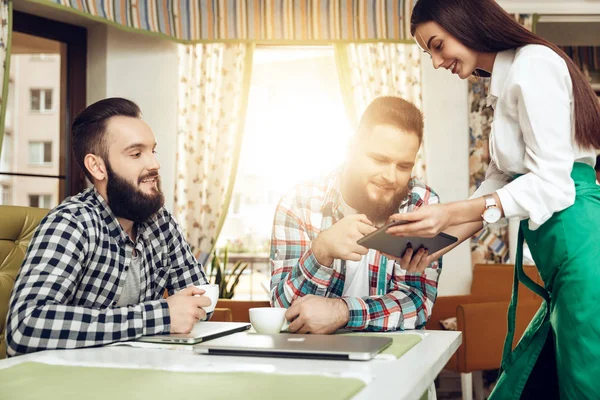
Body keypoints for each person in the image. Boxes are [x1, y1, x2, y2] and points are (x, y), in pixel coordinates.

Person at [395, 0, 600, 398]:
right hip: (563, 266)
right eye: (429, 53)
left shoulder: (533, 64)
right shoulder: (502, 85)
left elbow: (552, 185)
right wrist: (439, 242)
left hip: (584, 256)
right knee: (520, 387)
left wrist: (450, 212)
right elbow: (497, 184)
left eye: (437, 45)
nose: (437, 62)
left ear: (466, 22)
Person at [6, 98, 211, 357]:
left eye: (153, 151)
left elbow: (202, 299)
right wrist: (158, 316)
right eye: (136, 154)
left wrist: (187, 309)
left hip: (137, 375)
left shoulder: (160, 223)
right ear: (97, 167)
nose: (154, 165)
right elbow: (25, 328)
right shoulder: (71, 223)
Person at [269, 96, 441, 334]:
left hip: (394, 358)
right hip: (311, 355)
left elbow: (417, 302)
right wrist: (322, 250)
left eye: (403, 167)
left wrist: (343, 312)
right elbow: (284, 310)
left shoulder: (421, 204)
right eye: (379, 159)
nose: (391, 177)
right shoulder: (299, 203)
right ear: (351, 148)